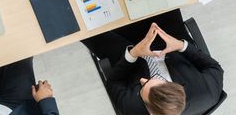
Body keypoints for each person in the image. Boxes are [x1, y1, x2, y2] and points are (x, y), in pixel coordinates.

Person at [80, 10, 224, 115]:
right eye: (154, 80)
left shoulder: (133, 111)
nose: (142, 80)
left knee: (81, 21)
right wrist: (181, 46)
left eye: (142, 88)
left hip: (124, 52)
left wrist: (133, 54)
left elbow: (113, 81)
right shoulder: (208, 94)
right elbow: (213, 67)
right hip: (169, 38)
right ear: (175, 86)